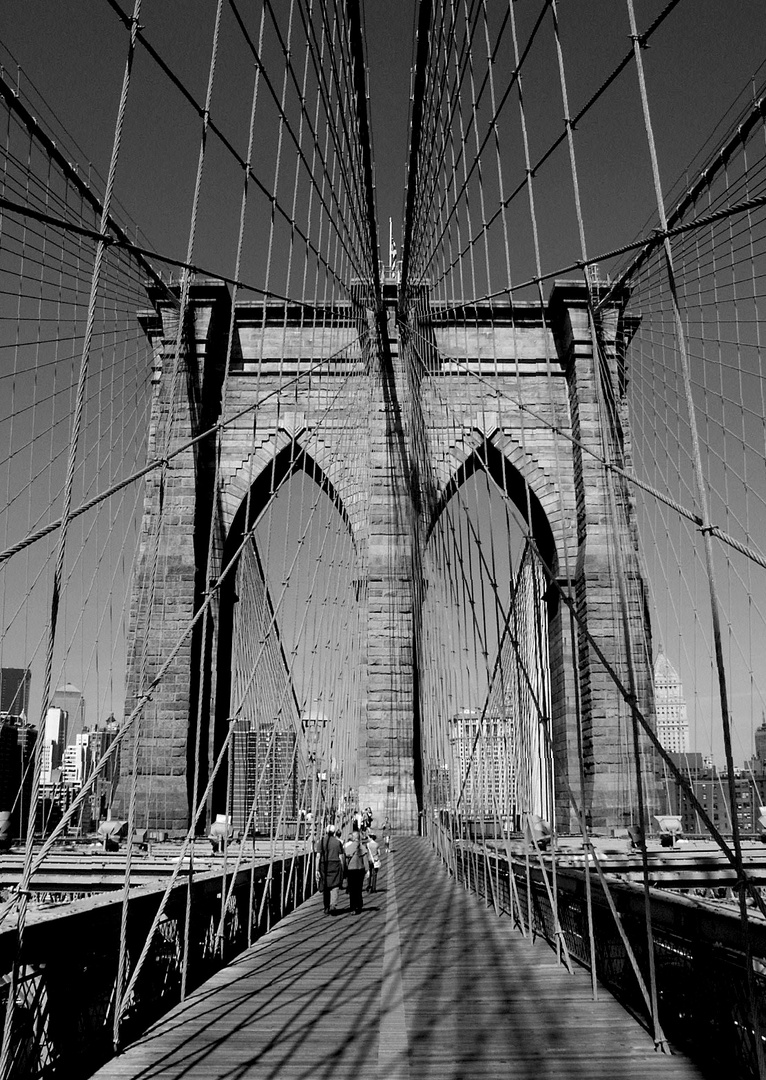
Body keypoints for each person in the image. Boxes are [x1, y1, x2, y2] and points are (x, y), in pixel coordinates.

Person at [318, 824, 345, 915]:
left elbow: (318, 856)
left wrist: (316, 870)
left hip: (323, 864)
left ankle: (326, 906)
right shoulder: (338, 842)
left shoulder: (321, 842)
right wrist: (343, 867)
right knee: (335, 884)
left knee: (325, 885)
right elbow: (341, 856)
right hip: (335, 864)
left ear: (326, 831)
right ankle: (333, 904)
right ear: (334, 832)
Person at [343, 828, 370, 914]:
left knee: (352, 889)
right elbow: (365, 860)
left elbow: (345, 861)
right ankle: (359, 904)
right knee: (359, 888)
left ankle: (353, 907)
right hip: (360, 870)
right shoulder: (362, 847)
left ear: (353, 838)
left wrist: (344, 870)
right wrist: (367, 870)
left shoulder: (348, 848)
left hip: (351, 870)